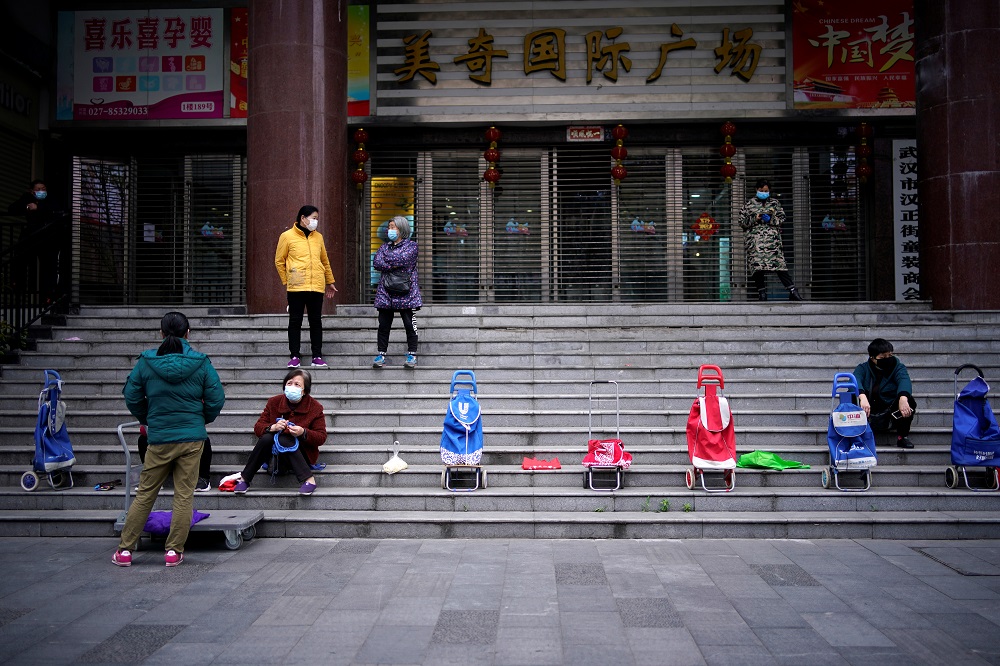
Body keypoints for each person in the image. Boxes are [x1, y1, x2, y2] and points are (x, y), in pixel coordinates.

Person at [113, 312, 225, 567]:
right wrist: (199, 419)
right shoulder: (201, 362)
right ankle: (174, 551)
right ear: (188, 333)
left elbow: (131, 396)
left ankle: (125, 550)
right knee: (184, 495)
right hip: (191, 438)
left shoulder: (146, 362)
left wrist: (148, 418)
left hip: (160, 436)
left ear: (161, 333)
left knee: (145, 494)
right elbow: (217, 399)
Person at [233, 368, 327, 495]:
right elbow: (258, 427)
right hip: (275, 452)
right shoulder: (274, 402)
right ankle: (245, 479)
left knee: (285, 438)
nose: (292, 386)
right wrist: (272, 427)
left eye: (297, 384)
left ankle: (309, 479)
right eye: (289, 383)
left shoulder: (315, 407)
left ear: (304, 390)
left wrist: (303, 432)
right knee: (267, 438)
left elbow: (321, 437)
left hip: (302, 453)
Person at [275, 205, 337, 369]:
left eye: (317, 218)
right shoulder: (287, 236)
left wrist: (330, 282)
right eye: (313, 218)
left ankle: (317, 356)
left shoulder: (319, 237)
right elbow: (279, 261)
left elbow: (324, 261)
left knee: (315, 321)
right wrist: (287, 281)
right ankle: (294, 355)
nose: (316, 221)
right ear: (303, 218)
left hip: (316, 286)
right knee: (295, 321)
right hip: (296, 286)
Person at [738, 178, 803, 302]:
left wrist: (771, 219)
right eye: (761, 190)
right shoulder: (748, 204)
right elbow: (741, 222)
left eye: (766, 190)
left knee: (780, 266)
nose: (763, 192)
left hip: (773, 242)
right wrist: (754, 218)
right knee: (757, 268)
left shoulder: (775, 203)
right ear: (756, 190)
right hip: (755, 242)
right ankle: (762, 293)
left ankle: (792, 290)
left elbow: (782, 218)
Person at [372, 215, 422, 369]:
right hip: (385, 293)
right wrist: (392, 264)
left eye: (393, 227)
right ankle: (381, 354)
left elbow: (405, 260)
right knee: (383, 325)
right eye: (389, 227)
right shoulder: (383, 247)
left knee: (409, 324)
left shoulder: (412, 246)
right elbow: (377, 263)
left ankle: (412, 354)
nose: (390, 230)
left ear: (402, 229)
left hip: (406, 291)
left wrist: (388, 262)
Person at [5, 179, 68, 301]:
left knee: (49, 268)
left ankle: (48, 297)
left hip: (49, 239)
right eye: (38, 189)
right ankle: (19, 291)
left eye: (43, 189)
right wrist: (28, 207)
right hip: (32, 237)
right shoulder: (27, 197)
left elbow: (56, 210)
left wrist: (38, 207)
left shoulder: (51, 199)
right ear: (32, 192)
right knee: (21, 262)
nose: (41, 191)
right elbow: (12, 209)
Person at [853, 338, 917, 449]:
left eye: (889, 355)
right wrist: (862, 396)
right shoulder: (863, 368)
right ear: (872, 358)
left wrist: (903, 398)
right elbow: (855, 379)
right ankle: (855, 436)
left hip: (890, 409)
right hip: (868, 408)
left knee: (909, 400)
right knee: (850, 394)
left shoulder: (898, 367)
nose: (887, 359)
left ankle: (903, 437)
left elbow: (904, 380)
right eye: (882, 357)